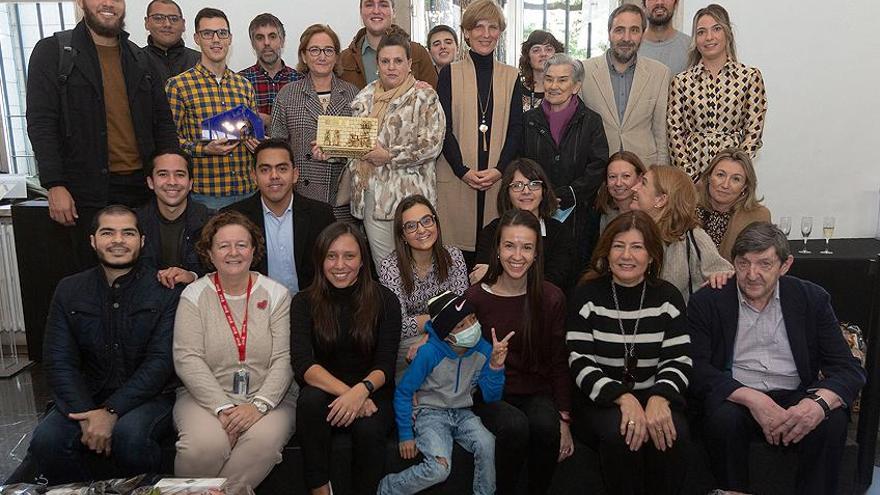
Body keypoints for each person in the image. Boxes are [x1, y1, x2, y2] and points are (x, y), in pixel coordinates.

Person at [688, 222, 866, 495]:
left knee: (832, 420)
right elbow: (697, 368)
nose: (752, 274)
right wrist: (752, 398)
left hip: (796, 394)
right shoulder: (709, 300)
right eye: (743, 263)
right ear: (732, 262)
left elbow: (848, 370)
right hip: (737, 395)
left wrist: (818, 404)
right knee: (723, 418)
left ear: (785, 265)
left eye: (764, 264)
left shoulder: (811, 299)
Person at [29, 205, 181, 484]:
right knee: (46, 442)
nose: (118, 241)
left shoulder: (165, 291)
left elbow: (160, 362)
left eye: (128, 233)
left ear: (142, 241)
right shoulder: (69, 289)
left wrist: (112, 411)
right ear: (92, 240)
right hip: (86, 395)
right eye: (108, 232)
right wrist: (89, 413)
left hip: (147, 397)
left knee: (130, 438)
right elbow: (58, 358)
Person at [26, 0, 178, 271]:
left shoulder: (140, 58)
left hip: (140, 192)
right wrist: (55, 183)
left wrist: (168, 176)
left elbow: (163, 123)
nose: (108, 3)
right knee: (90, 280)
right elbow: (41, 123)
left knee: (144, 275)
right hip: (83, 194)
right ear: (81, 2)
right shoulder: (53, 52)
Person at [567, 210, 691, 495]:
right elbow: (580, 361)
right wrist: (622, 398)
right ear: (606, 253)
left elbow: (679, 359)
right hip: (601, 401)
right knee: (622, 433)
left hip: (656, 394)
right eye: (618, 246)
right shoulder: (587, 296)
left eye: (637, 247)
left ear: (651, 256)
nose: (626, 255)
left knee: (673, 433)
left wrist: (660, 397)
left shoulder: (668, 297)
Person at [172, 211, 294, 495]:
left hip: (270, 397)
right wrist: (223, 408)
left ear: (254, 250)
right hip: (204, 397)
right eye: (223, 245)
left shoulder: (277, 294)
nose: (233, 253)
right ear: (209, 253)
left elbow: (284, 358)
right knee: (203, 446)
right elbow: (187, 358)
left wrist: (258, 406)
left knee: (262, 443)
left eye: (241, 244)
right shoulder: (194, 295)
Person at [290, 222, 402, 495]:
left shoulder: (385, 300)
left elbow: (385, 365)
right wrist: (349, 395)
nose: (340, 264)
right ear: (321, 259)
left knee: (368, 429)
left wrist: (362, 392)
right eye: (331, 255)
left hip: (374, 392)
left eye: (349, 256)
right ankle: (320, 490)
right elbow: (303, 363)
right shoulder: (303, 302)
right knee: (309, 401)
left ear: (363, 260)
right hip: (327, 390)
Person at [467, 208, 572, 494]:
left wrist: (564, 418)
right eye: (509, 245)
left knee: (544, 425)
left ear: (537, 253)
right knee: (514, 426)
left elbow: (558, 361)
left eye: (527, 247)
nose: (517, 255)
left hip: (536, 390)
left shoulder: (551, 298)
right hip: (489, 394)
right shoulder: (476, 297)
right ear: (497, 249)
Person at [378, 290, 508, 495]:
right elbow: (404, 392)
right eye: (461, 325)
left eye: (472, 319)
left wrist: (495, 367)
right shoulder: (430, 353)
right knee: (439, 469)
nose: (471, 327)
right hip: (430, 413)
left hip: (463, 412)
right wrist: (405, 434)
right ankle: (389, 488)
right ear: (447, 334)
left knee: (487, 443)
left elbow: (492, 396)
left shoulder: (484, 349)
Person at [337, 30, 445, 265]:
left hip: (410, 201)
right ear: (377, 64)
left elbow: (431, 144)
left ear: (409, 64)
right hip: (371, 198)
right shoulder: (364, 97)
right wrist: (331, 147)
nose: (391, 67)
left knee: (418, 268)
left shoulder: (424, 96)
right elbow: (356, 144)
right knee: (386, 270)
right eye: (385, 61)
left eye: (398, 61)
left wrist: (389, 155)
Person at [436, 0, 523, 264]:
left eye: (492, 27)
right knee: (456, 258)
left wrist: (499, 169)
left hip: (496, 178)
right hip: (457, 176)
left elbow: (516, 129)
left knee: (492, 254)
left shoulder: (511, 76)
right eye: (478, 27)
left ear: (500, 31)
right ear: (466, 32)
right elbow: (443, 128)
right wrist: (462, 170)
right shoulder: (450, 73)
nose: (486, 34)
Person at [520, 53, 609, 271]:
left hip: (578, 215)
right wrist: (541, 194)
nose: (553, 86)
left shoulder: (591, 121)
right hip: (536, 211)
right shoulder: (529, 121)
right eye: (549, 79)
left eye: (562, 80)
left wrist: (572, 192)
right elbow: (520, 163)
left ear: (576, 86)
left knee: (575, 272)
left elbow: (598, 165)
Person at [165, 7, 258, 211]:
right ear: (197, 38)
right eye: (208, 33)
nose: (216, 39)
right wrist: (204, 149)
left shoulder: (244, 85)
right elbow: (169, 142)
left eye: (222, 33)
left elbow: (252, 131)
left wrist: (257, 143)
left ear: (230, 38)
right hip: (206, 196)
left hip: (248, 191)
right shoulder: (178, 86)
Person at [270, 24, 360, 221]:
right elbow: (277, 147)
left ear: (336, 56)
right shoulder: (287, 94)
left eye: (329, 50)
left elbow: (362, 148)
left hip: (341, 199)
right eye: (314, 50)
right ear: (303, 56)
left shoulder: (353, 94)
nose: (322, 56)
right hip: (300, 196)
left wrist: (335, 152)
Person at [668, 4, 768, 181]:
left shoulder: (750, 77)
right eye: (701, 32)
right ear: (695, 40)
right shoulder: (681, 81)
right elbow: (674, 134)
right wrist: (691, 179)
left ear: (728, 33)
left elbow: (753, 132)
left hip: (735, 177)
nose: (709, 37)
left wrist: (733, 174)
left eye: (716, 29)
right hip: (692, 178)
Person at [223, 138, 335, 294]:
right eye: (265, 170)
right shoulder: (233, 218)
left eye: (282, 169)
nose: (274, 176)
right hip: (255, 309)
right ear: (254, 177)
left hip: (309, 309)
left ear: (295, 175)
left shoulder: (321, 215)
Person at [378, 195, 468, 381]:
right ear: (402, 235)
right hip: (408, 344)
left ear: (435, 223)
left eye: (427, 221)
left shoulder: (454, 256)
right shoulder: (390, 266)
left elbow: (462, 313)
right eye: (411, 226)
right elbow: (397, 326)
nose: (422, 230)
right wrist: (441, 318)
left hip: (449, 336)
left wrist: (430, 335)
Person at [579, 4, 670, 166]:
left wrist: (659, 177)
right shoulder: (584, 71)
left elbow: (661, 134)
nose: (626, 38)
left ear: (642, 34)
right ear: (609, 33)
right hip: (597, 169)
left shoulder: (660, 73)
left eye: (634, 30)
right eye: (619, 30)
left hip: (644, 169)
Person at [630, 164, 733, 303]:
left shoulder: (693, 237)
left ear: (661, 200)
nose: (633, 188)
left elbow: (725, 275)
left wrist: (720, 278)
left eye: (643, 184)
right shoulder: (629, 230)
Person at [473, 159, 576, 290]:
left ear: (544, 191)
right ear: (507, 192)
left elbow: (556, 281)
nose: (526, 191)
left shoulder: (560, 233)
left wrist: (498, 278)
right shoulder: (492, 230)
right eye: (517, 185)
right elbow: (479, 276)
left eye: (534, 184)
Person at [137, 149, 210, 287]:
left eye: (180, 174)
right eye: (163, 174)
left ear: (190, 183)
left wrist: (193, 276)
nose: (172, 182)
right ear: (150, 182)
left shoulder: (211, 222)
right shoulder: (134, 223)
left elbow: (222, 271)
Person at [340, 0, 437, 89]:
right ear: (361, 12)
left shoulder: (417, 53)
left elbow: (433, 101)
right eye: (369, 5)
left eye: (383, 5)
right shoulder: (343, 60)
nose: (376, 11)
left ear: (393, 12)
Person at [697, 148, 771, 262]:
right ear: (709, 177)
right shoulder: (688, 208)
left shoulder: (757, 216)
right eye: (720, 175)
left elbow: (758, 263)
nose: (725, 185)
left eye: (736, 179)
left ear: (745, 186)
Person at [239, 13, 303, 128]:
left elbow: (303, 126)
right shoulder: (240, 81)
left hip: (290, 146)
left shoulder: (299, 81)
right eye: (260, 38)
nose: (266, 43)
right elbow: (237, 126)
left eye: (272, 36)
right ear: (253, 44)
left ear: (282, 41)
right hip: (253, 146)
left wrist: (268, 120)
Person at [143, 0, 200, 81]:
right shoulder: (135, 61)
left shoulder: (200, 62)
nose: (167, 24)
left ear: (183, 24)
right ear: (147, 23)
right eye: (158, 18)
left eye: (174, 19)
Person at [596, 150, 646, 233]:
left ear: (640, 178)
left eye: (626, 176)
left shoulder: (649, 214)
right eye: (612, 177)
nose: (618, 183)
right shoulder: (603, 215)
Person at [638, 0, 690, 75]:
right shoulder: (632, 47)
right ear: (644, 4)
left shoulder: (691, 48)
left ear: (676, 3)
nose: (659, 2)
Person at [518, 30, 563, 112]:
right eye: (536, 50)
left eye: (548, 49)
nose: (543, 54)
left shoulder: (566, 90)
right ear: (528, 57)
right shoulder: (516, 90)